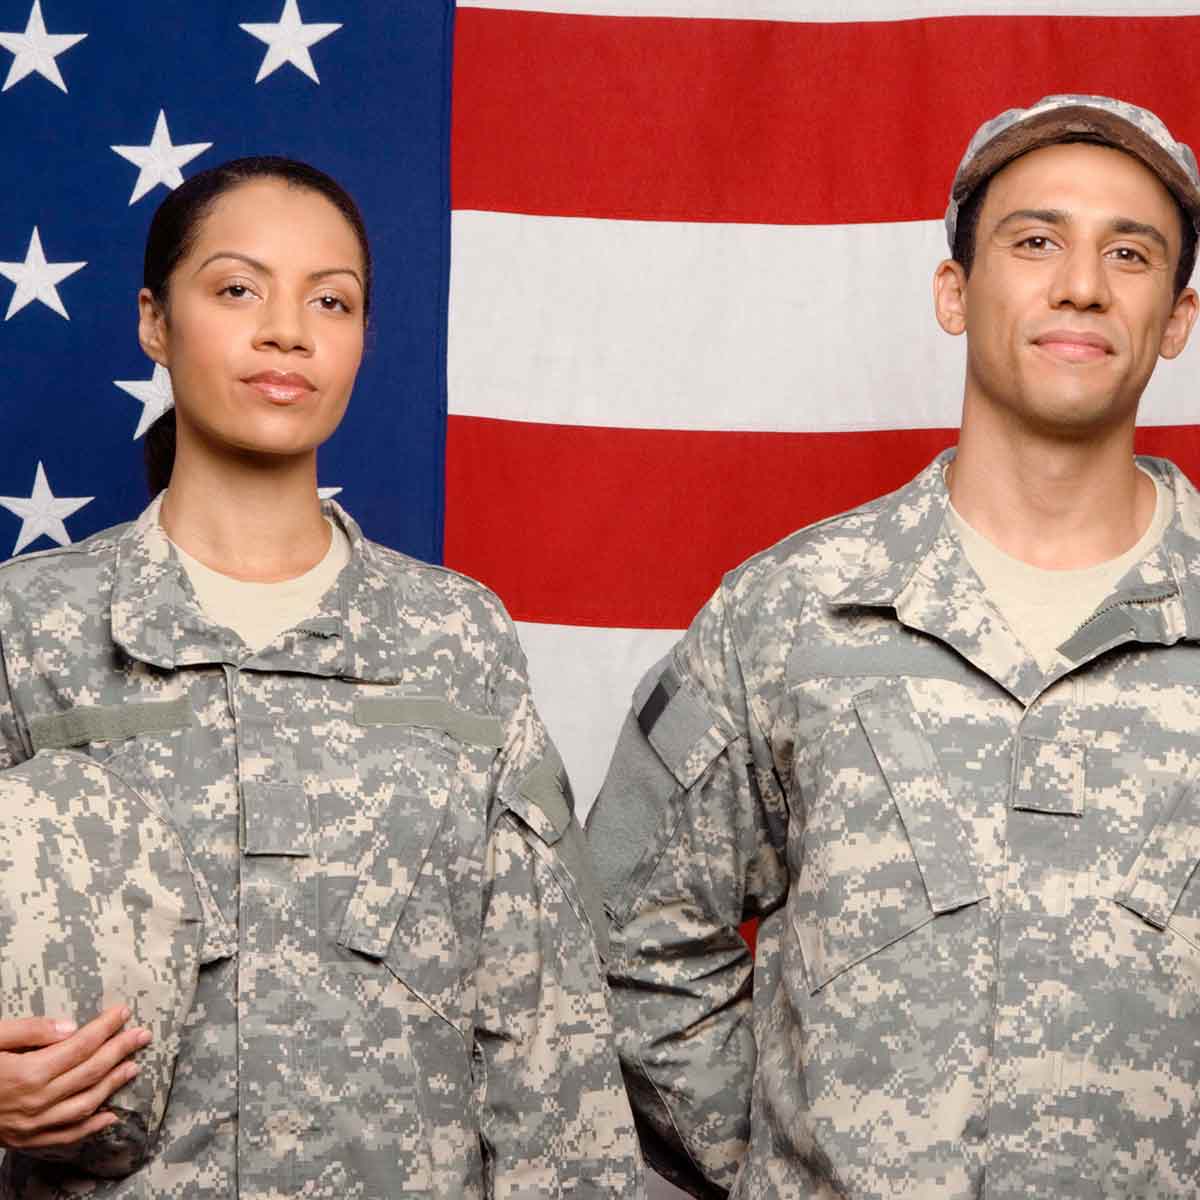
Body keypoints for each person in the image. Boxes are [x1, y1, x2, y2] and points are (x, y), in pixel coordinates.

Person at [586, 95, 1200, 1198]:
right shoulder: (791, 612)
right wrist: (795, 1158)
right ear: (954, 294)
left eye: (1130, 252)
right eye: (1035, 240)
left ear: (1175, 319)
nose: (1081, 284)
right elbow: (624, 924)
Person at [0, 156, 644, 1198]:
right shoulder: (27, 629)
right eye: (238, 288)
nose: (286, 331)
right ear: (155, 322)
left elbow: (547, 1028)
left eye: (330, 300)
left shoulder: (457, 638)